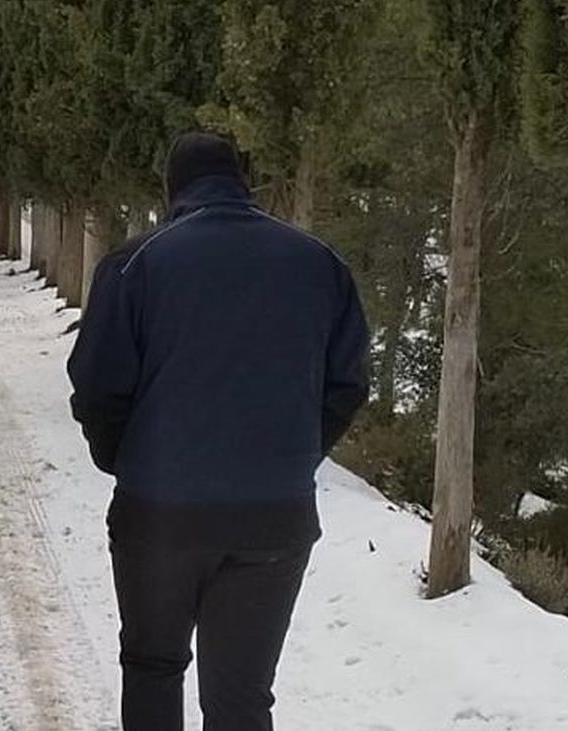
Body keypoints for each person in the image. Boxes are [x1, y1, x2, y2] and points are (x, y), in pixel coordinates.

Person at [67, 133, 370, 731]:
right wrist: (294, 456)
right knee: (242, 699)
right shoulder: (319, 263)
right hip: (275, 519)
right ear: (242, 181)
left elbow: (98, 387)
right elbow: (347, 384)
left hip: (159, 514)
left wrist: (128, 460)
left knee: (154, 668)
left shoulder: (135, 263)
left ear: (172, 187)